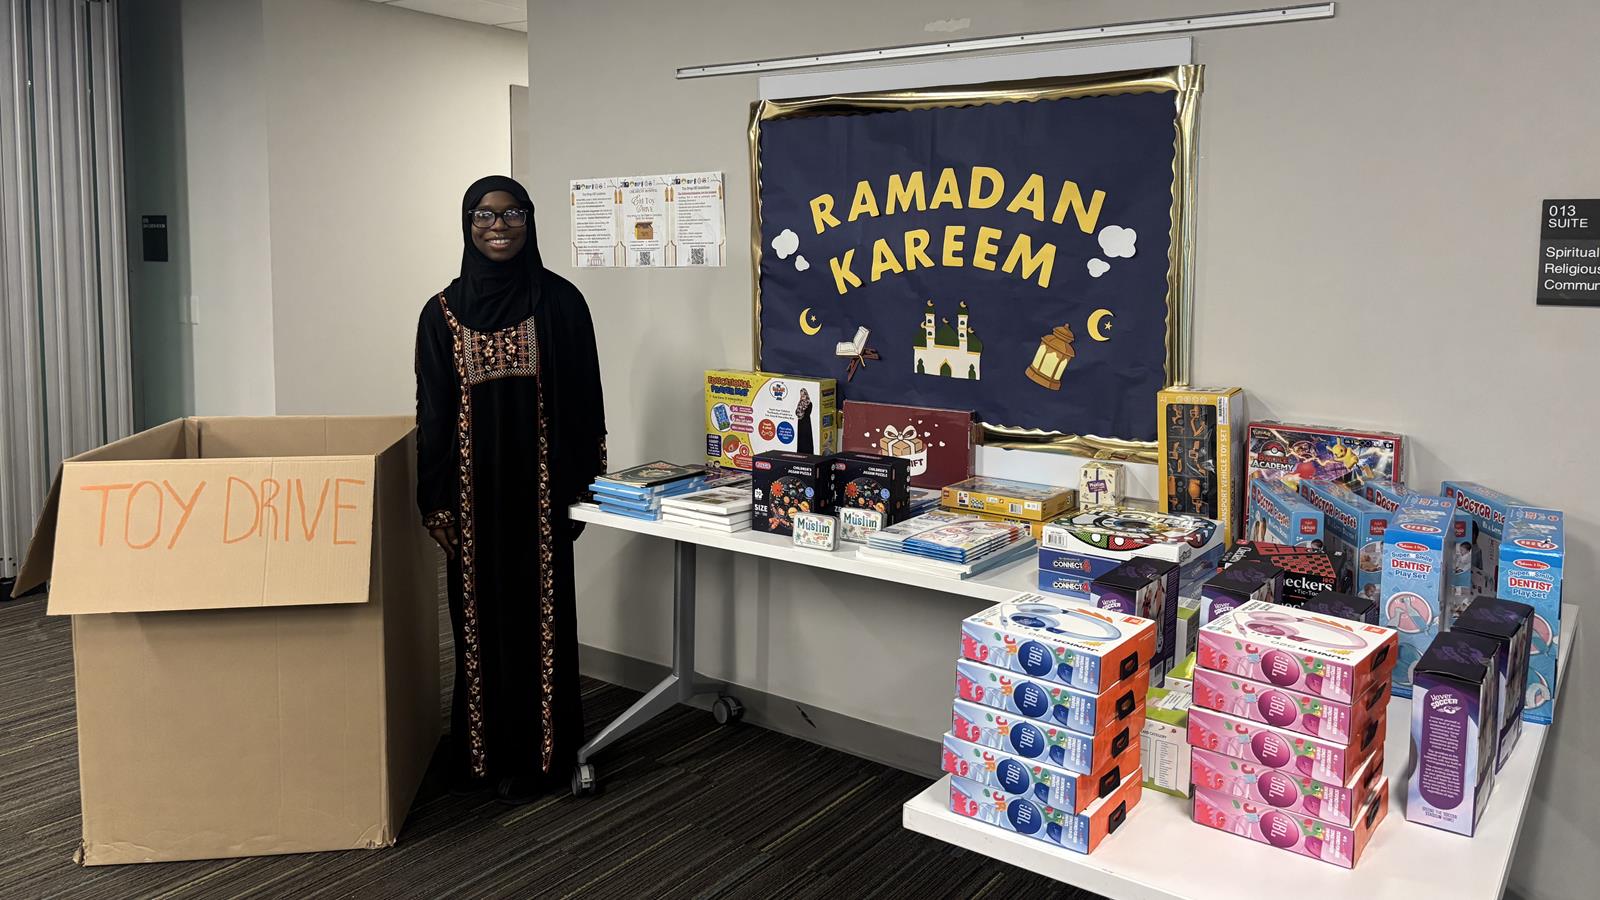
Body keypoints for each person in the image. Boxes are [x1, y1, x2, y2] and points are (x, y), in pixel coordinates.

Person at [415, 176, 606, 804]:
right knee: (476, 622)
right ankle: (480, 756)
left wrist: (584, 488)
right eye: (484, 215)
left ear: (529, 220)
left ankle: (545, 756)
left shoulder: (561, 303)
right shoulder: (440, 313)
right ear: (467, 224)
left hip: (541, 498)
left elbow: (585, 402)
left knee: (543, 622)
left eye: (512, 213)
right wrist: (434, 498)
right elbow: (434, 412)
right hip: (473, 504)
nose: (499, 226)